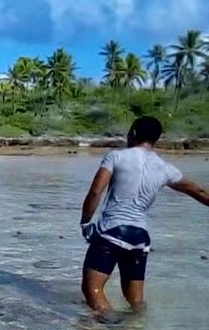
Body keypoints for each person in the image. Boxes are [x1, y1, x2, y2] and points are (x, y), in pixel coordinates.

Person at [79, 116, 209, 313]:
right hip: (141, 238)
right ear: (156, 139)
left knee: (92, 290)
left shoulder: (116, 157)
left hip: (112, 232)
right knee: (136, 301)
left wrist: (85, 222)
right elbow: (199, 192)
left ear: (132, 134)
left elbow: (96, 192)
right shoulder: (165, 169)